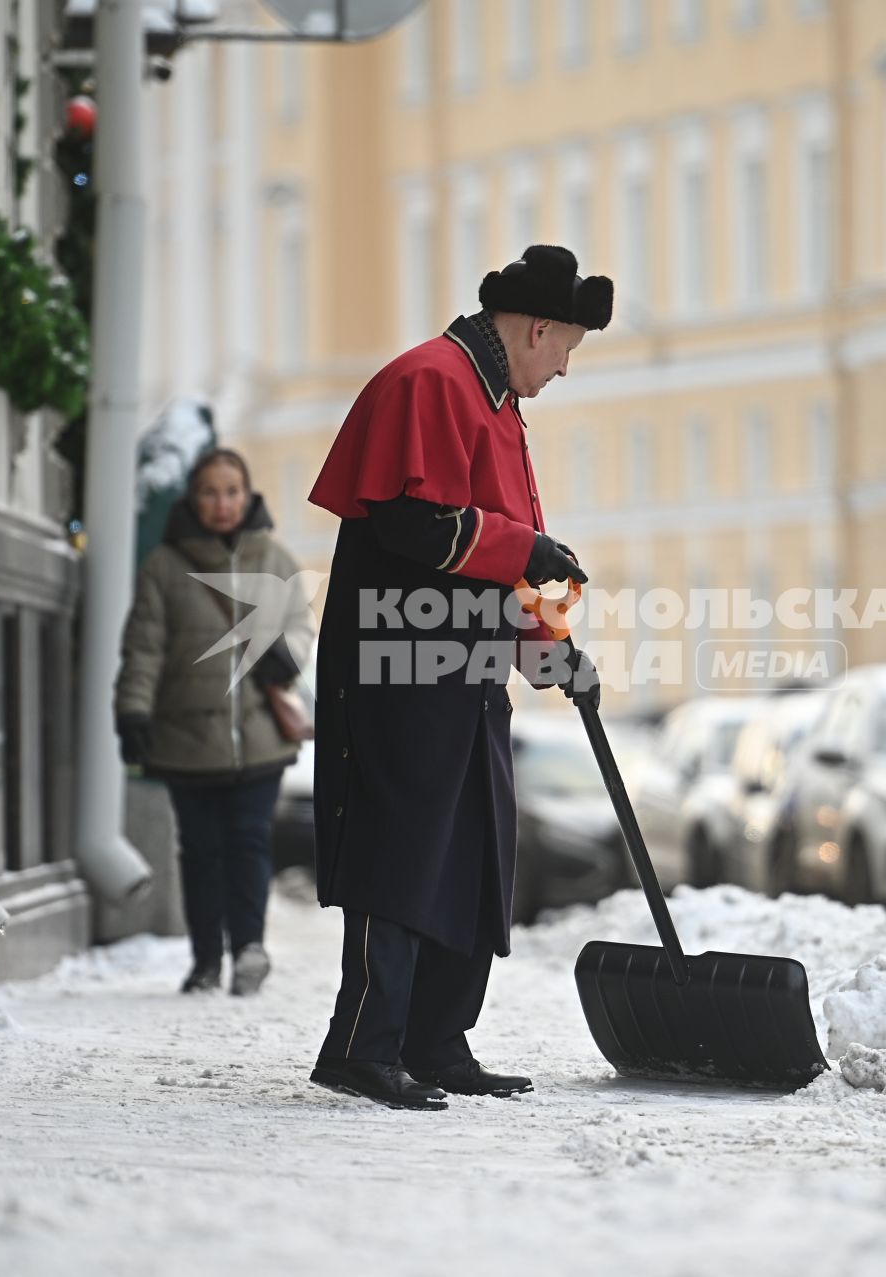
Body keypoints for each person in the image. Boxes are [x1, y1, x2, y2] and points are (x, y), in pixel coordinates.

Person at [304, 245, 610, 1111]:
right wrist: (528, 548)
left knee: (473, 845)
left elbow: (490, 571)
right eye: (567, 350)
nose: (564, 368)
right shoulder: (432, 381)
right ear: (537, 327)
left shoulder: (495, 398)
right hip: (397, 667)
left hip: (460, 666)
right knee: (402, 849)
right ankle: (365, 1045)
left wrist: (547, 652)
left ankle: (437, 1040)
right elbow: (414, 524)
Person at [114, 448, 317, 996]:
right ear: (194, 499)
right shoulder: (164, 565)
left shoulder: (273, 558)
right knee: (201, 851)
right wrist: (132, 709)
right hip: (186, 737)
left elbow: (302, 624)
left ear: (247, 496)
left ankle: (249, 949)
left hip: (258, 734)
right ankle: (206, 958)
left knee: (250, 840)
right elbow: (145, 649)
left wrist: (288, 654)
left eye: (232, 491)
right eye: (210, 491)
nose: (222, 503)